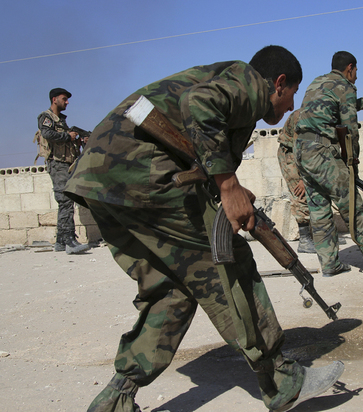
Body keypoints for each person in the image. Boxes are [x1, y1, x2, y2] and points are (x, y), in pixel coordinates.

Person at [64, 46, 344, 412]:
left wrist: (231, 188)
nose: (290, 106)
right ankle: (282, 380)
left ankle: (116, 398)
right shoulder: (250, 85)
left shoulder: (227, 83)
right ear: (278, 83)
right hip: (141, 174)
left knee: (173, 290)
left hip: (101, 180)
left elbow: (196, 145)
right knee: (228, 264)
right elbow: (200, 104)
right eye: (291, 94)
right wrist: (228, 186)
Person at [294, 51, 363, 277]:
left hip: (302, 151)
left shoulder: (317, 82)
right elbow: (350, 130)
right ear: (350, 68)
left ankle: (329, 264)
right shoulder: (345, 86)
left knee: (318, 209)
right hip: (321, 152)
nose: (356, 76)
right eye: (356, 71)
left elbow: (332, 108)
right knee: (352, 206)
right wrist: (352, 163)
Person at [37, 88, 90, 254]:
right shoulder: (46, 117)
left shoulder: (61, 120)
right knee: (66, 200)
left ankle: (60, 242)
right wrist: (69, 136)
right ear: (54, 99)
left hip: (66, 164)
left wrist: (80, 139)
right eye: (64, 99)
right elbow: (47, 134)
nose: (67, 102)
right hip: (57, 164)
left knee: (65, 200)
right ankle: (69, 241)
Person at [277, 109, 316, 253]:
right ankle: (305, 241)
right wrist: (303, 178)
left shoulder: (324, 112)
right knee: (301, 194)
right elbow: (299, 147)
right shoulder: (303, 116)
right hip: (291, 154)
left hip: (308, 155)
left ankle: (320, 235)